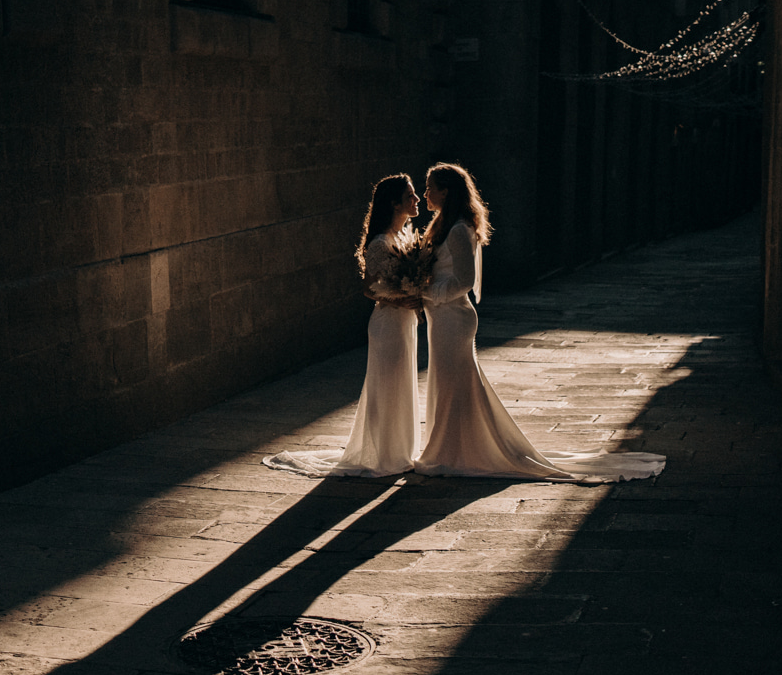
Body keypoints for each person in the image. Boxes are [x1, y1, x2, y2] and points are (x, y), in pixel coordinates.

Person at [413, 162, 665, 482]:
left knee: (453, 384)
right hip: (442, 319)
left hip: (453, 318)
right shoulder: (442, 225)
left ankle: (449, 451)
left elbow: (464, 280)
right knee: (449, 383)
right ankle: (451, 446)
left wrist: (427, 291)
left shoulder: (460, 229)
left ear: (446, 192)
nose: (426, 194)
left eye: (430, 187)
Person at [263, 173, 424, 478]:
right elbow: (369, 288)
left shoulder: (401, 237)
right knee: (386, 385)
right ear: (394, 203)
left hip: (403, 322)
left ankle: (400, 450)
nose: (416, 200)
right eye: (410, 196)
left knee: (401, 383)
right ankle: (383, 453)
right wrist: (403, 299)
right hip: (388, 322)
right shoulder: (380, 242)